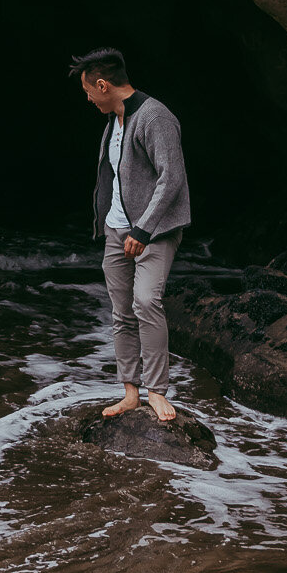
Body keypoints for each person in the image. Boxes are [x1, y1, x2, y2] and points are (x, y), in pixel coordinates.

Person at [71, 47, 191, 424]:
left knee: (146, 302)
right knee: (122, 313)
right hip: (116, 229)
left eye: (88, 90)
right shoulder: (114, 120)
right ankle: (130, 393)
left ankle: (157, 391)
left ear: (103, 85)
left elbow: (171, 178)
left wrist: (143, 229)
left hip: (152, 231)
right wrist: (112, 223)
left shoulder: (155, 117)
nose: (88, 98)